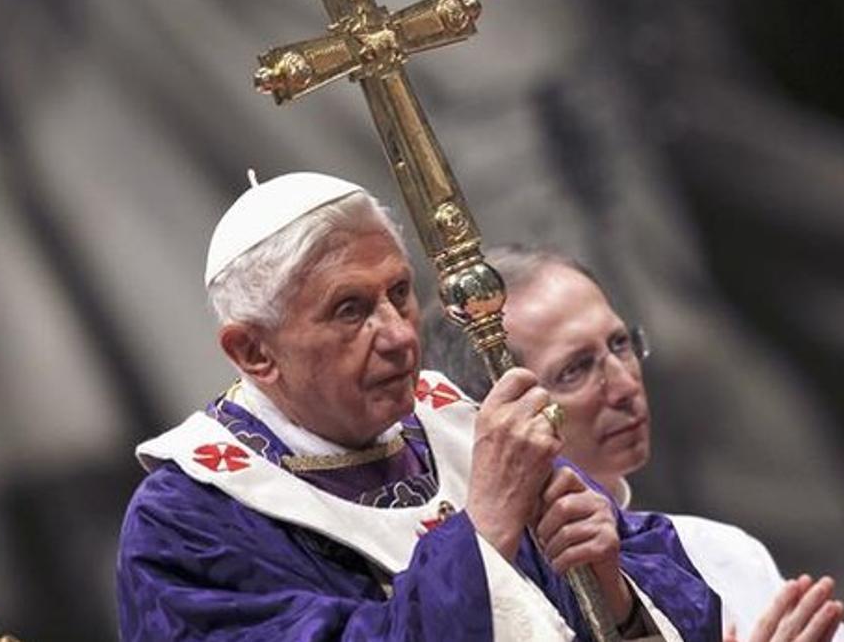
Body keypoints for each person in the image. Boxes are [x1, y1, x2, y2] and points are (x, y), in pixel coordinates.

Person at [115, 172, 728, 641]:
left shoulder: (453, 420)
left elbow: (666, 588)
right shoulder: (188, 523)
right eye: (350, 310)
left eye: (400, 293)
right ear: (254, 351)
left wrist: (615, 593)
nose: (402, 335)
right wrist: (482, 533)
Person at [423, 245, 844, 642]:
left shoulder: (720, 553)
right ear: (495, 414)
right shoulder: (480, 604)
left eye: (619, 344)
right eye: (575, 369)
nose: (623, 386)